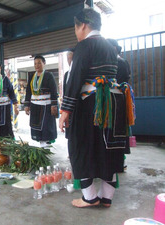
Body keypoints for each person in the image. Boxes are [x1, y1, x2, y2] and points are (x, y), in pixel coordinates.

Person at [59, 8, 133, 208]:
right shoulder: (110, 47)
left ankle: (90, 196)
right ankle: (106, 197)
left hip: (91, 106)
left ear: (82, 25)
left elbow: (75, 80)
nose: (76, 32)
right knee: (109, 148)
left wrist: (65, 111)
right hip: (114, 104)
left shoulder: (84, 46)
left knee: (80, 145)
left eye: (76, 27)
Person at [107, 38, 132, 170]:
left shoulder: (118, 62)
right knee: (118, 131)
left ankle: (119, 162)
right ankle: (120, 161)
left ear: (115, 49)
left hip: (116, 100)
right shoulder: (120, 61)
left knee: (117, 131)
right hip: (118, 99)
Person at [24, 55, 58, 148]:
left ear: (44, 63)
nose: (37, 65)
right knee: (37, 127)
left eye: (39, 63)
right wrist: (27, 105)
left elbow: (54, 91)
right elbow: (28, 92)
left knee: (46, 127)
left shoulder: (48, 75)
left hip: (46, 106)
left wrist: (54, 105)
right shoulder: (31, 76)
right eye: (35, 63)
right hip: (35, 106)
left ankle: (46, 147)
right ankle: (41, 146)